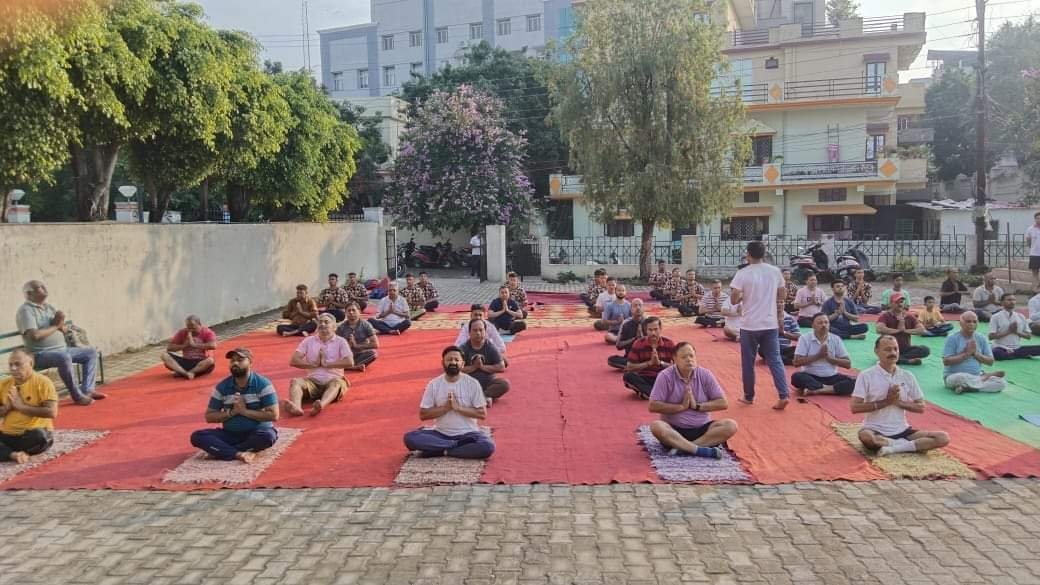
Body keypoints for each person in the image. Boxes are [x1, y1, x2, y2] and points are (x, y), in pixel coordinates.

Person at [851, 335, 950, 457]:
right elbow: (854, 407)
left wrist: (898, 403)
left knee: (942, 438)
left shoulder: (907, 376)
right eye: (888, 349)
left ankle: (894, 448)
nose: (893, 353)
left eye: (895, 349)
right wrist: (886, 402)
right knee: (867, 437)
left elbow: (921, 407)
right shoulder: (866, 375)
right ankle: (906, 445)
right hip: (874, 429)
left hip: (902, 430)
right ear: (876, 351)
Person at [16, 280, 104, 406]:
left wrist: (61, 322)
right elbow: (35, 335)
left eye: (44, 285)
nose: (44, 288)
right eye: (40, 287)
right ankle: (77, 396)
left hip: (62, 349)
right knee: (64, 357)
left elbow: (60, 328)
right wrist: (56, 325)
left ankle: (88, 390)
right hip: (40, 354)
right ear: (29, 294)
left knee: (91, 352)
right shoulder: (26, 311)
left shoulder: (49, 307)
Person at [647, 342, 737, 459]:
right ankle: (699, 450)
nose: (689, 360)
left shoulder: (705, 374)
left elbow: (723, 403)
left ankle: (684, 448)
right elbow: (653, 406)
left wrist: (697, 406)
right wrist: (681, 407)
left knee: (731, 425)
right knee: (657, 426)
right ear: (674, 359)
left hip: (703, 430)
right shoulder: (665, 376)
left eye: (691, 356)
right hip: (675, 430)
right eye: (684, 357)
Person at [402, 346, 495, 459]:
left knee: (487, 446)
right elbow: (423, 414)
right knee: (410, 438)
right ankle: (456, 446)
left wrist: (457, 407)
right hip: (441, 434)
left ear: (462, 364)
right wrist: (446, 408)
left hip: (468, 434)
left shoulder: (472, 383)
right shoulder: (434, 384)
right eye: (449, 359)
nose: (453, 363)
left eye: (456, 360)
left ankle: (443, 450)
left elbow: (482, 414)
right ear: (443, 362)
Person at [189, 348, 279, 463]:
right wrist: (233, 412)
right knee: (197, 437)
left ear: (250, 362)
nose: (235, 363)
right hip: (230, 434)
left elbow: (274, 415)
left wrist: (244, 411)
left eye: (240, 360)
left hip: (257, 432)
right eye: (232, 360)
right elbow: (209, 416)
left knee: (268, 437)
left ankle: (223, 451)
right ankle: (238, 453)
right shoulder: (222, 387)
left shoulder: (263, 384)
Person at [729, 241, 790, 410]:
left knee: (748, 362)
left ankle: (749, 396)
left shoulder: (743, 273)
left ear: (748, 254)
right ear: (764, 254)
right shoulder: (775, 271)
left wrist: (744, 297)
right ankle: (783, 394)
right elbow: (782, 295)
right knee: (775, 360)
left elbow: (733, 299)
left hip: (749, 324)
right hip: (770, 323)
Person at [284, 314, 353, 416]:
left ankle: (321, 405)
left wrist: (327, 364)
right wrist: (313, 365)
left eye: (326, 322)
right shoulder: (308, 341)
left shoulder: (341, 341)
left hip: (333, 379)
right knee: (296, 382)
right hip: (312, 381)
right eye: (320, 322)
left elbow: (350, 362)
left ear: (334, 327)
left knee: (337, 383)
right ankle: (296, 407)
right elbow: (294, 360)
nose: (322, 324)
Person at [0, 350, 57, 464]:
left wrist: (21, 406)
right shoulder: (4, 384)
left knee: (40, 437)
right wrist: (7, 407)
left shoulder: (43, 382)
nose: (13, 368)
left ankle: (6, 452)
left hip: (33, 436)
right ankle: (13, 454)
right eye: (11, 365)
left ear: (31, 364)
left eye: (18, 364)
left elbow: (51, 412)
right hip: (8, 435)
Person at [791, 313, 856, 396]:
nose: (824, 325)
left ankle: (818, 390)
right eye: (820, 323)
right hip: (810, 375)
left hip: (831, 376)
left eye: (826, 322)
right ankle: (830, 388)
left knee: (854, 382)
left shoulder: (836, 339)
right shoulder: (804, 338)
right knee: (796, 377)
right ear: (813, 325)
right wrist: (818, 356)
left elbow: (848, 364)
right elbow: (796, 362)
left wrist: (830, 359)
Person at [942, 312, 1006, 394]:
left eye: (974, 322)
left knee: (1001, 383)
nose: (972, 324)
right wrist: (966, 354)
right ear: (960, 323)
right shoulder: (952, 338)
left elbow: (990, 362)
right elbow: (946, 361)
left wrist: (975, 353)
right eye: (968, 321)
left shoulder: (981, 338)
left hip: (976, 375)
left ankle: (969, 388)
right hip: (954, 376)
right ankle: (983, 378)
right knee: (961, 377)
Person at [623, 317, 676, 399]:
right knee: (628, 376)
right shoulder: (638, 343)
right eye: (650, 330)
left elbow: (677, 367)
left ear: (660, 329)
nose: (653, 333)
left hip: (663, 377)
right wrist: (649, 363)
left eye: (656, 329)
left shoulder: (669, 344)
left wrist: (660, 363)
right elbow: (629, 367)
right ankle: (656, 394)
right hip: (645, 377)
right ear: (646, 330)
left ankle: (647, 393)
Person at [460, 319, 510, 401]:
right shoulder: (463, 348)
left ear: (485, 332)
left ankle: (483, 396)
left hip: (488, 384)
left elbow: (501, 367)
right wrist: (474, 367)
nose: (478, 333)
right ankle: (484, 398)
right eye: (475, 330)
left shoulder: (490, 347)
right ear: (469, 332)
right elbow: (457, 370)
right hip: (468, 383)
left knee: (504, 384)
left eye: (481, 330)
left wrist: (482, 367)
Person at [875, 293, 930, 365]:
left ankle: (898, 359)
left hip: (905, 349)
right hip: (889, 348)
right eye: (897, 302)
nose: (900, 304)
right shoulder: (885, 316)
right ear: (891, 304)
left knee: (925, 350)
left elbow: (922, 330)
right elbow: (879, 329)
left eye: (901, 302)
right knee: (884, 351)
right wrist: (898, 331)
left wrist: (905, 331)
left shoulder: (909, 316)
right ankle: (904, 360)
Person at [161, 315, 217, 379]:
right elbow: (169, 348)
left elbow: (213, 346)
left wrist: (194, 345)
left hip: (201, 362)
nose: (190, 329)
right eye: (188, 327)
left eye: (193, 327)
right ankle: (186, 373)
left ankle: (189, 372)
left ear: (199, 324)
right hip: (186, 361)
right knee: (164, 355)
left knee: (210, 361)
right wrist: (184, 346)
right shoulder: (182, 332)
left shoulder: (207, 332)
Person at [989, 293, 1040, 360]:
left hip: (1016, 348)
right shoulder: (995, 317)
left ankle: (1014, 354)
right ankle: (1020, 354)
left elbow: (1028, 336)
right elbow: (991, 337)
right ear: (1002, 302)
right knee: (996, 353)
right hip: (1001, 347)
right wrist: (1009, 331)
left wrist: (1016, 332)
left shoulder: (1020, 316)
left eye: (1014, 300)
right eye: (1009, 300)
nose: (1012, 302)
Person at [336, 303, 379, 371]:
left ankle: (347, 366)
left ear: (359, 312)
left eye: (353, 310)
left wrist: (356, 346)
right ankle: (354, 367)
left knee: (373, 353)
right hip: (346, 355)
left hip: (360, 354)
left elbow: (375, 344)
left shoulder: (366, 325)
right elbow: (336, 346)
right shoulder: (341, 327)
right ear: (345, 313)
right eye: (349, 310)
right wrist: (348, 346)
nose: (351, 312)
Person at [609, 299, 646, 370]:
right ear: (631, 310)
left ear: (643, 309)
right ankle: (637, 366)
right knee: (611, 359)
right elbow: (619, 345)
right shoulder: (626, 324)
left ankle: (634, 367)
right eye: (635, 306)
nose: (638, 308)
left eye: (640, 305)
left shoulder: (649, 322)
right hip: (631, 357)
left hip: (646, 356)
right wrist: (634, 339)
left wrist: (642, 339)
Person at [1027, 211, 1040, 292]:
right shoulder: (1030, 229)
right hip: (1034, 254)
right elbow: (1028, 241)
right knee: (1035, 273)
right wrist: (1032, 248)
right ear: (1035, 219)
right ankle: (1035, 290)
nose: (1039, 220)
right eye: (1037, 218)